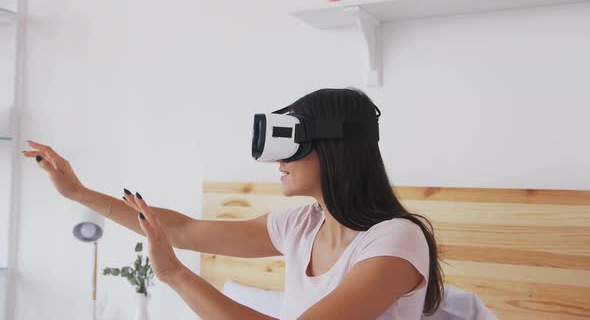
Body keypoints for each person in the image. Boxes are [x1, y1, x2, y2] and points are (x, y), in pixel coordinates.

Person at [23, 88, 444, 319]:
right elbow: (185, 231)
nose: (278, 160)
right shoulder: (300, 225)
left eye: (292, 144)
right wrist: (79, 192)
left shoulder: (395, 240)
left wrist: (173, 274)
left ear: (334, 147)